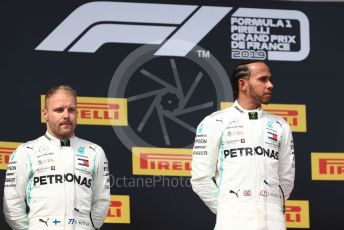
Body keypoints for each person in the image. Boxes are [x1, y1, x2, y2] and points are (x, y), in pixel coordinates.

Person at [191, 60, 295, 230]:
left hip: (274, 223)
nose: (270, 85)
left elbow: (286, 178)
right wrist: (231, 210)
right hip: (232, 223)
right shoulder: (214, 122)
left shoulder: (281, 125)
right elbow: (201, 178)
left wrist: (270, 207)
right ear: (243, 84)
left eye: (270, 79)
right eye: (263, 79)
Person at [3, 85, 110, 230]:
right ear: (45, 114)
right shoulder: (26, 151)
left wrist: (88, 227)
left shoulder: (94, 152)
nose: (66, 115)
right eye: (59, 110)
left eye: (71, 110)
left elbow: (102, 200)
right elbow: (12, 202)